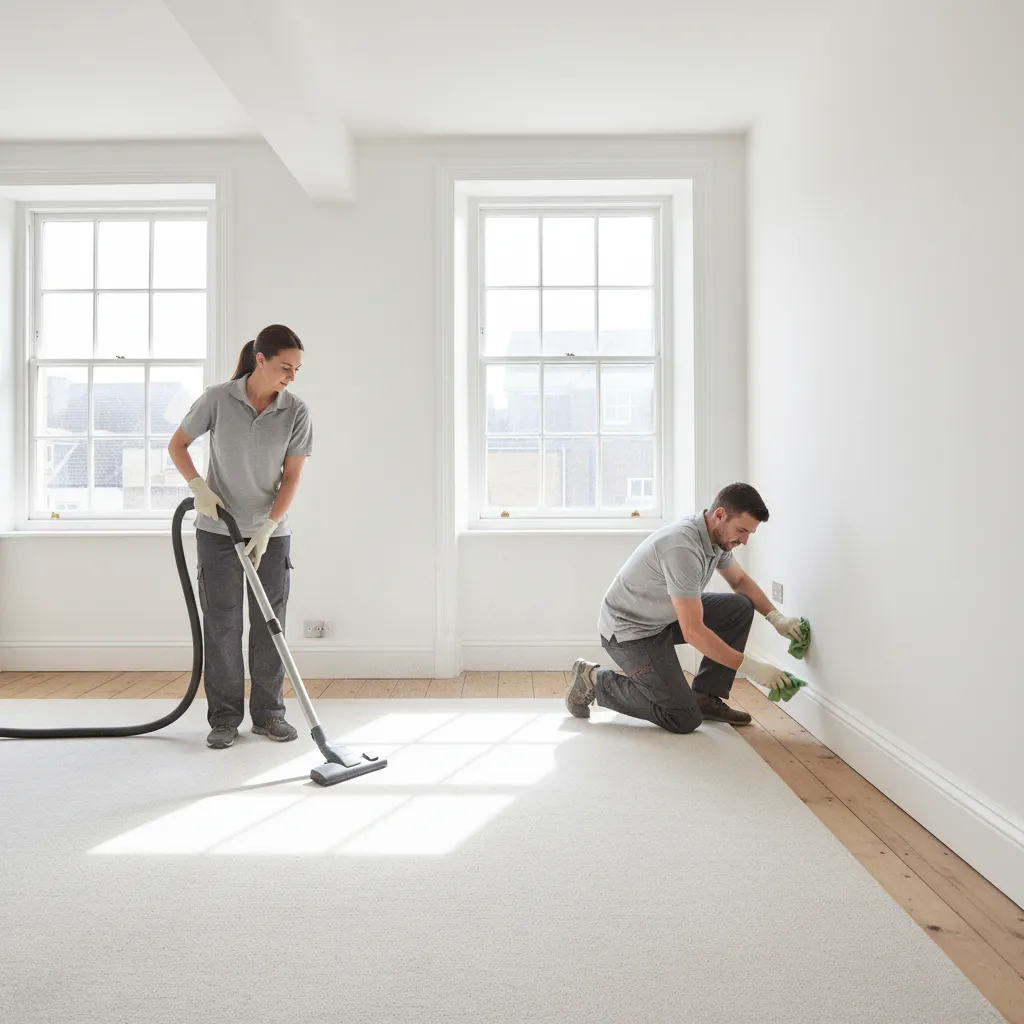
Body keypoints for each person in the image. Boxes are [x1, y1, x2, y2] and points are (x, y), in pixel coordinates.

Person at [167, 325, 313, 750]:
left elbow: (293, 477)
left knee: (270, 627)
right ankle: (225, 719)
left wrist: (269, 526)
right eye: (285, 367)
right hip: (218, 531)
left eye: (298, 369)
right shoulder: (217, 398)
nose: (292, 376)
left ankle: (269, 716)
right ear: (260, 359)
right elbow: (178, 445)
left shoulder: (296, 410)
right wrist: (198, 487)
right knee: (223, 624)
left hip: (270, 534)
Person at [567, 482, 807, 732]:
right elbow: (693, 631)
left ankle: (705, 698)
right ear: (720, 515)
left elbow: (739, 581)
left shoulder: (717, 538)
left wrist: (775, 616)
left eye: (749, 534)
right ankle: (594, 681)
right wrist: (753, 668)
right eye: (742, 531)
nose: (744, 540)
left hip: (663, 617)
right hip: (630, 632)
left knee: (739, 608)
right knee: (682, 717)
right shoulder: (682, 547)